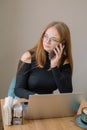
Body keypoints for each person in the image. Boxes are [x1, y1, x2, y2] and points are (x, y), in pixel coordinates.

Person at [14, 21, 73, 99]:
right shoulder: (28, 57)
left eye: (53, 39)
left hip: (47, 104)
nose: (47, 41)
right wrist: (36, 97)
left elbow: (67, 92)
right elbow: (18, 89)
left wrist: (54, 66)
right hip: (27, 101)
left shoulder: (64, 61)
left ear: (62, 44)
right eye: (45, 36)